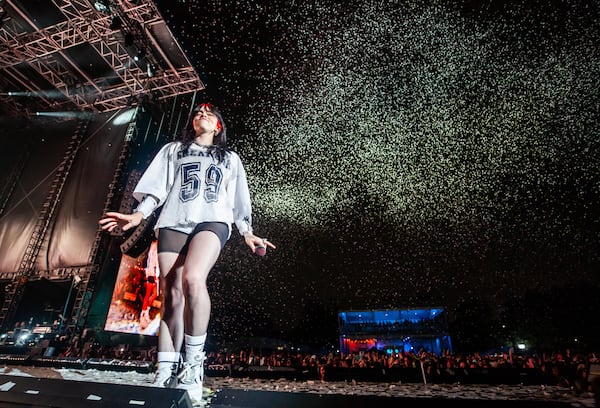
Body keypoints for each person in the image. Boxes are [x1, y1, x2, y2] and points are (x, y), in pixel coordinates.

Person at [99, 102, 275, 406]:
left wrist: (246, 232)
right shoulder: (173, 150)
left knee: (194, 279)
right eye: (197, 113)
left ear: (218, 126)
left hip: (213, 220)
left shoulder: (230, 158)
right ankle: (165, 371)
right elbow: (157, 188)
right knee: (172, 296)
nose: (201, 115)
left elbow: (238, 200)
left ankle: (194, 367)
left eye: (209, 113)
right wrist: (138, 216)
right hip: (173, 220)